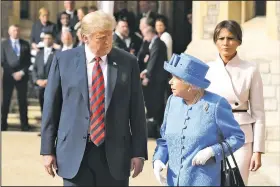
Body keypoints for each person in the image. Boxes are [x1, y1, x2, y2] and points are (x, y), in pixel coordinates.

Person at [40, 10, 148, 186]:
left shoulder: (127, 62)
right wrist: (47, 150)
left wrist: (138, 152)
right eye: (101, 37)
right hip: (74, 152)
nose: (108, 42)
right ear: (85, 37)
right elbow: (51, 107)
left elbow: (136, 110)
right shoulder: (63, 61)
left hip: (115, 153)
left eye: (110, 35)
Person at [153, 53, 245, 186]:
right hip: (173, 182)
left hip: (204, 181)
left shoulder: (216, 105)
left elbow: (237, 137)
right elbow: (165, 140)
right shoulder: (172, 101)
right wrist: (159, 159)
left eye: (176, 77)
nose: (170, 81)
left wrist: (213, 151)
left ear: (191, 85)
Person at [205, 20, 265, 185]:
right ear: (215, 41)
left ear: (238, 41)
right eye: (221, 38)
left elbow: (259, 113)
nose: (226, 43)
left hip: (241, 137)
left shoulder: (250, 70)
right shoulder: (207, 69)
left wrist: (258, 150)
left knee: (237, 182)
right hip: (212, 135)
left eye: (230, 38)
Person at [1, 25, 31, 131]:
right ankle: (3, 124)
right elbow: (3, 61)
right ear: (9, 32)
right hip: (8, 77)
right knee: (6, 101)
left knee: (22, 101)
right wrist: (13, 73)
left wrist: (21, 72)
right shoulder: (3, 44)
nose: (16, 32)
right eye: (14, 30)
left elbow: (28, 61)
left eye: (18, 30)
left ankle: (24, 124)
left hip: (22, 77)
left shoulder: (25, 44)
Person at [140, 26, 168, 138]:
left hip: (158, 80)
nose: (145, 38)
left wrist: (147, 75)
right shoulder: (155, 43)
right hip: (157, 79)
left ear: (150, 33)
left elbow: (154, 60)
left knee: (157, 104)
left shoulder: (157, 43)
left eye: (145, 35)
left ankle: (157, 131)